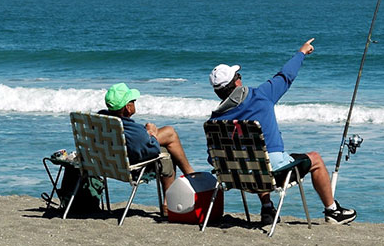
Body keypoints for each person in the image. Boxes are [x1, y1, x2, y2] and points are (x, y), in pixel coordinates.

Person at [208, 38, 356, 225]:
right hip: (271, 175)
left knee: (253, 157)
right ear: (237, 84)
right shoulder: (261, 96)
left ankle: (267, 207)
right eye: (239, 76)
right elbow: (286, 76)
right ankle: (332, 210)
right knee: (314, 159)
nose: (240, 78)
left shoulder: (214, 121)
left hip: (236, 178)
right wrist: (301, 52)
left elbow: (212, 158)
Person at [98, 82, 195, 212]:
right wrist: (152, 133)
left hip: (109, 165)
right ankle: (189, 178)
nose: (135, 102)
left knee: (167, 142)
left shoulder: (102, 119)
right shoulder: (134, 132)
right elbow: (153, 149)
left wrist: (146, 133)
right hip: (132, 168)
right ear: (128, 107)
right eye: (133, 101)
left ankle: (186, 179)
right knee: (167, 146)